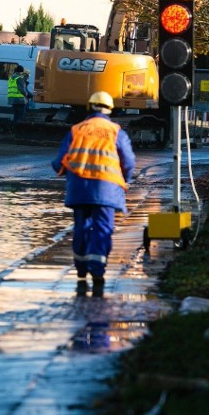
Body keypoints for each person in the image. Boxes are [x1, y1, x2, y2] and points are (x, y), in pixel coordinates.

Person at [51, 91, 135, 297]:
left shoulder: (76, 130)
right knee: (102, 229)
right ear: (110, 110)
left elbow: (57, 162)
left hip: (79, 189)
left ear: (88, 108)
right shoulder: (116, 132)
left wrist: (66, 172)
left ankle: (81, 271)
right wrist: (125, 179)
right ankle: (97, 273)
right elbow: (129, 162)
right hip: (107, 191)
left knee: (81, 228)